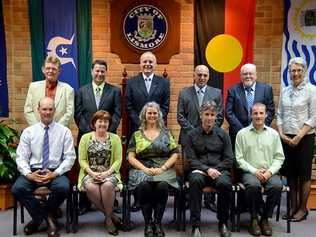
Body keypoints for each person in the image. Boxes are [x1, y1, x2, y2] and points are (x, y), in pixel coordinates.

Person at [12, 97, 76, 237]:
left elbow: (70, 157)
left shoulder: (64, 132)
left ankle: (36, 221)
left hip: (55, 171)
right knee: (18, 188)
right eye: (44, 109)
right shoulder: (29, 132)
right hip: (33, 171)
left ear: (54, 111)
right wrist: (29, 174)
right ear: (38, 110)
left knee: (63, 188)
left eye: (50, 109)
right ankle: (48, 219)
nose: (47, 112)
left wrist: (55, 173)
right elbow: (21, 157)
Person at [127, 102, 178, 237]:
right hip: (141, 168)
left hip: (163, 168)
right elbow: (131, 157)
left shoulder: (166, 133)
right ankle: (148, 223)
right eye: (149, 113)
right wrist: (144, 169)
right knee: (144, 186)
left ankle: (158, 223)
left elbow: (175, 153)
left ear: (159, 115)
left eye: (155, 113)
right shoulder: (136, 135)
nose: (152, 115)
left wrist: (163, 168)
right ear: (144, 115)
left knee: (162, 186)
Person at [177, 64, 223, 212]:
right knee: (188, 168)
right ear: (194, 75)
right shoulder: (184, 93)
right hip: (188, 138)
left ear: (208, 76)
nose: (202, 78)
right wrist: (195, 132)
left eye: (205, 75)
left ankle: (209, 201)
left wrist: (207, 130)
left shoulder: (216, 93)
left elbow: (220, 116)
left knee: (210, 165)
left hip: (210, 138)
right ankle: (189, 199)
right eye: (199, 75)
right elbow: (180, 116)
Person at [185, 101, 234, 237]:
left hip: (219, 171)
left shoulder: (223, 135)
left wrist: (214, 170)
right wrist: (207, 170)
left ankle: (223, 222)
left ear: (216, 116)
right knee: (194, 181)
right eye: (206, 114)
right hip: (199, 171)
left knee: (225, 184)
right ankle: (195, 225)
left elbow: (229, 159)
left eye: (212, 114)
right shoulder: (191, 134)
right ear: (201, 115)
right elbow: (191, 159)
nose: (209, 118)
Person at [235, 103, 285, 236]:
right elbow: (239, 159)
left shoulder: (274, 134)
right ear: (251, 114)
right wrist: (254, 171)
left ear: (266, 115)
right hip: (250, 172)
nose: (258, 116)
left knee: (277, 186)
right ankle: (253, 219)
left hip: (269, 171)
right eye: (255, 113)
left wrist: (269, 172)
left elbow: (279, 157)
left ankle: (264, 219)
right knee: (252, 185)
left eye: (261, 113)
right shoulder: (242, 134)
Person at [277, 57, 316, 222]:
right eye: (293, 70)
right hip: (287, 138)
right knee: (291, 174)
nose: (296, 73)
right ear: (289, 72)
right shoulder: (285, 90)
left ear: (304, 71)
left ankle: (302, 209)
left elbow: (314, 116)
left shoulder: (312, 90)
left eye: (299, 70)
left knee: (304, 175)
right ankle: (292, 207)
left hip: (305, 137)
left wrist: (299, 135)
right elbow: (280, 114)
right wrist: (280, 133)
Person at [77, 110, 122, 236]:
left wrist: (108, 173)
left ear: (109, 124)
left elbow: (118, 160)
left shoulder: (115, 138)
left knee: (107, 186)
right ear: (94, 123)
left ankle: (108, 220)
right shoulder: (85, 138)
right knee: (91, 187)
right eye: (100, 121)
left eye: (106, 121)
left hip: (109, 172)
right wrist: (91, 173)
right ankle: (111, 216)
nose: (103, 124)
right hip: (90, 173)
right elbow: (82, 160)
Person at [225, 63, 275, 149]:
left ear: (256, 75)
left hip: (260, 134)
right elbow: (229, 112)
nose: (248, 76)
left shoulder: (266, 89)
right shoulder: (233, 90)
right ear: (241, 76)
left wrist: (260, 127)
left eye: (250, 73)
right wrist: (243, 131)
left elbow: (270, 110)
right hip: (238, 134)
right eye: (245, 74)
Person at [75, 59, 121, 142]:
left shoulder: (115, 91)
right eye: (97, 71)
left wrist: (105, 131)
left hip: (108, 137)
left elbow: (117, 114)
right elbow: (78, 115)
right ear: (91, 71)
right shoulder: (81, 91)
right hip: (86, 137)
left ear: (106, 72)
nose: (100, 74)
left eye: (102, 71)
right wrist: (91, 133)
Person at [126, 51, 170, 137]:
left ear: (155, 64)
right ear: (140, 64)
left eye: (150, 62)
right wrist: (140, 123)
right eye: (145, 61)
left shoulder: (164, 83)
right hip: (137, 128)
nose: (147, 64)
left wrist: (155, 122)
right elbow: (129, 107)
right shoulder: (131, 82)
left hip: (157, 128)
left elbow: (165, 106)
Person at [24, 56, 74, 127]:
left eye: (54, 69)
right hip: (37, 133)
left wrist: (56, 129)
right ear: (43, 70)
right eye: (48, 68)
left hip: (59, 133)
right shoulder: (33, 87)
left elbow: (69, 113)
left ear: (59, 71)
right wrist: (38, 128)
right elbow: (28, 110)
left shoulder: (68, 89)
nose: (50, 71)